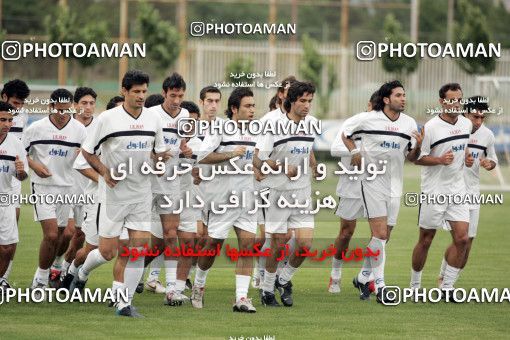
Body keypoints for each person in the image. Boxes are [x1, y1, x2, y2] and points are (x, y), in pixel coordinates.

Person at [74, 70, 167, 317]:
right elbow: (87, 152)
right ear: (124, 91)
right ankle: (81, 273)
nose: (141, 96)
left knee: (138, 248)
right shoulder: (108, 119)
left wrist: (161, 159)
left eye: (144, 91)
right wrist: (105, 172)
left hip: (141, 193)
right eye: (136, 91)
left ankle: (123, 303)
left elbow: (157, 152)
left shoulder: (153, 119)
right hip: (113, 196)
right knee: (107, 251)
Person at [342, 80, 422, 303]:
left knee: (384, 238)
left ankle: (362, 276)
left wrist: (419, 146)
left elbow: (412, 158)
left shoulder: (409, 124)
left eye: (404, 95)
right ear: (386, 99)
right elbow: (345, 134)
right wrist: (355, 151)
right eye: (398, 95)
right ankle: (380, 286)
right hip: (372, 182)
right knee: (380, 234)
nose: (403, 98)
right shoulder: (368, 119)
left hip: (395, 185)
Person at [191, 87, 258, 313]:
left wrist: (263, 166)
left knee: (248, 246)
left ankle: (241, 298)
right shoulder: (220, 127)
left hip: (246, 198)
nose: (252, 110)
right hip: (222, 199)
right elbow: (203, 156)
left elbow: (254, 158)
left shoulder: (254, 131)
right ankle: (198, 285)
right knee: (213, 246)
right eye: (247, 106)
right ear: (234, 109)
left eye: (253, 106)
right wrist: (231, 154)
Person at [254, 81, 319, 307]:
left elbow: (307, 148)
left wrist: (314, 166)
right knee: (278, 245)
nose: (307, 105)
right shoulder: (273, 125)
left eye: (310, 101)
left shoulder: (311, 124)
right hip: (278, 192)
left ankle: (283, 280)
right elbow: (258, 159)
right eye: (302, 101)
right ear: (290, 101)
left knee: (305, 246)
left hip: (302, 192)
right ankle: (266, 290)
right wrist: (283, 167)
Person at [410, 83, 472, 297]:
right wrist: (438, 160)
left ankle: (447, 287)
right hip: (433, 191)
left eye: (459, 100)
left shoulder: (466, 124)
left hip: (458, 190)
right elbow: (415, 159)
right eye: (451, 100)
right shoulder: (431, 127)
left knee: (463, 239)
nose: (456, 104)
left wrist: (468, 157)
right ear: (442, 102)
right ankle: (415, 287)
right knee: (426, 239)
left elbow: (462, 148)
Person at [25, 88, 87, 290]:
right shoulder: (36, 128)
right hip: (43, 187)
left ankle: (49, 272)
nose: (63, 115)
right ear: (51, 107)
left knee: (62, 235)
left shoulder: (79, 130)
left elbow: (89, 155)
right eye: (59, 110)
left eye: (67, 110)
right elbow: (19, 153)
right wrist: (34, 165)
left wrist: (83, 155)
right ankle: (40, 280)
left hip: (67, 188)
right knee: (51, 235)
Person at [328, 91, 378, 294]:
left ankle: (368, 277)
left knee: (379, 234)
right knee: (346, 232)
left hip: (376, 187)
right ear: (368, 105)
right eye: (373, 109)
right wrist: (355, 151)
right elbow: (334, 149)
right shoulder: (354, 123)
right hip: (351, 187)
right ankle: (335, 275)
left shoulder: (385, 128)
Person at [49, 87, 98, 287]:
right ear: (75, 105)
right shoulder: (68, 126)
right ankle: (56, 266)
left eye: (91, 103)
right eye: (84, 103)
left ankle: (66, 270)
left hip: (88, 189)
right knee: (67, 232)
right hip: (65, 187)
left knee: (80, 235)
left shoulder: (99, 127)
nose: (88, 107)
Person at [0, 79, 30, 283]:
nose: (16, 109)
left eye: (21, 104)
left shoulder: (21, 120)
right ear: (4, 97)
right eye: (14, 103)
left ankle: (4, 277)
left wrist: (23, 170)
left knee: (9, 239)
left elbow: (23, 166)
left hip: (10, 183)